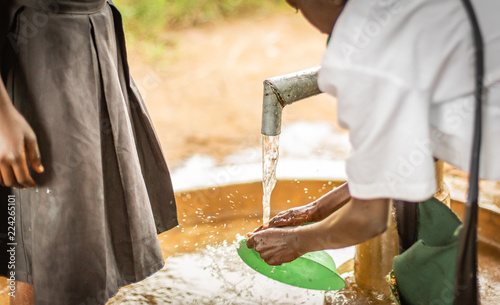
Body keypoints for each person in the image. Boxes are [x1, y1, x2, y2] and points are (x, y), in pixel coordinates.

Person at [247, 0, 500, 266]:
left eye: (298, 6)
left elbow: (369, 218)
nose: (304, 17)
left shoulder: (365, 53)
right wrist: (317, 209)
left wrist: (296, 242)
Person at [0, 0, 178, 304]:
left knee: (59, 257)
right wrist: (2, 116)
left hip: (91, 42)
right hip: (40, 54)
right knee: (59, 250)